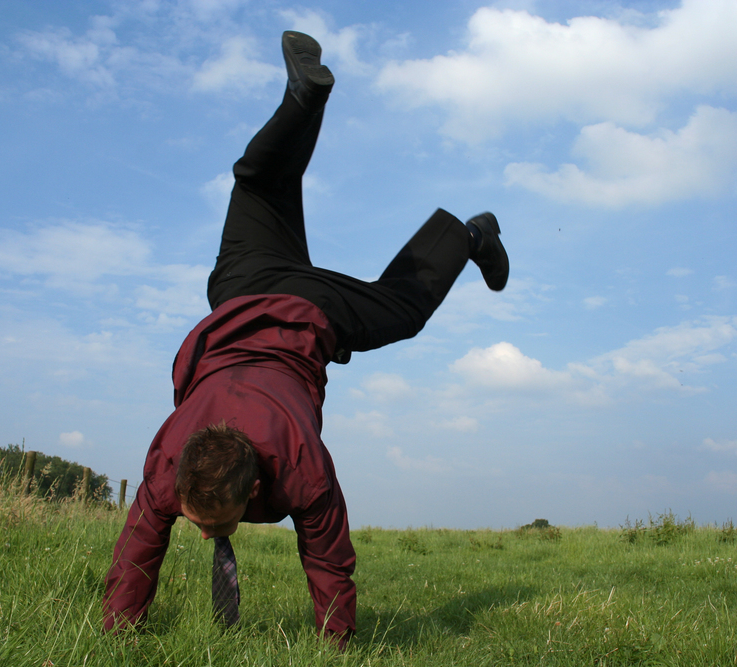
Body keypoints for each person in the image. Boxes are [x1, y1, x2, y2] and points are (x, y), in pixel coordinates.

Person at [102, 31, 509, 646]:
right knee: (256, 185)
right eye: (196, 518)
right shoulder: (170, 464)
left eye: (213, 523)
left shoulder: (299, 465)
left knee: (404, 307)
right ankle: (302, 100)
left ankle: (473, 234)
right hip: (241, 288)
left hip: (306, 309)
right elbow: (138, 550)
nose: (201, 532)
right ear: (182, 475)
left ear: (255, 490)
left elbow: (328, 558)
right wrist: (114, 635)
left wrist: (336, 649)